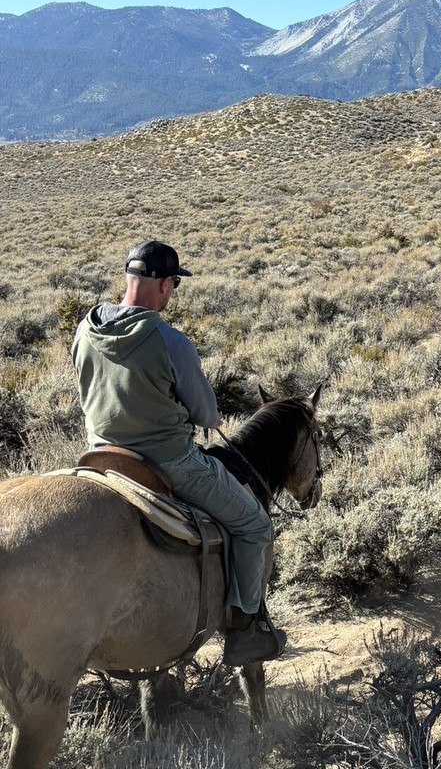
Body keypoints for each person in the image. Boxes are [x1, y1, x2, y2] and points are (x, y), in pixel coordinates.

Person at [71, 240, 286, 666]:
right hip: (168, 463)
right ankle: (245, 631)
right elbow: (205, 412)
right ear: (165, 284)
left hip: (99, 457)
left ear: (129, 279)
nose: (173, 292)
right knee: (254, 525)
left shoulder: (85, 329)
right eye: (174, 284)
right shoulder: (170, 340)